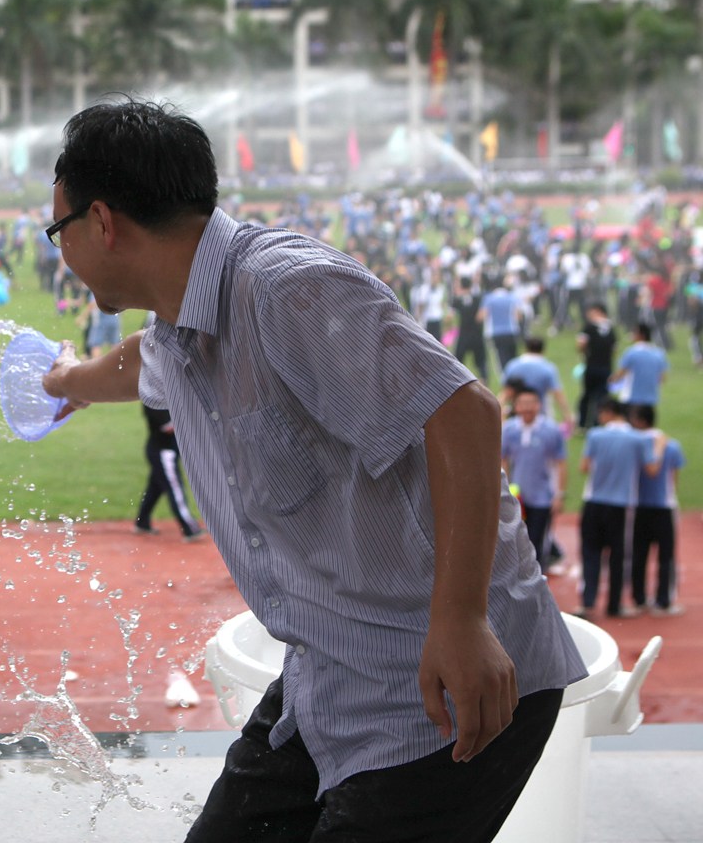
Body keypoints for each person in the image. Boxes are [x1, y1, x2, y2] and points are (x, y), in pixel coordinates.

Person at [40, 100, 583, 842]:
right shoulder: (180, 330)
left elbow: (464, 412)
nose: (59, 251)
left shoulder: (285, 291)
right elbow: (138, 362)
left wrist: (460, 620)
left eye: (58, 229)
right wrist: (67, 381)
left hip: (442, 683)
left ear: (101, 222)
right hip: (328, 671)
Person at [576, 398, 659, 620]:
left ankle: (588, 602)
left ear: (606, 413)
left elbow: (584, 467)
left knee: (590, 552)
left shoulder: (595, 435)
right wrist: (658, 446)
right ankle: (614, 604)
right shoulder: (638, 439)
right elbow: (651, 469)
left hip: (594, 501)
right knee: (618, 555)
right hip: (622, 505)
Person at [627, 404, 686, 616]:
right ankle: (663, 601)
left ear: (639, 420)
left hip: (639, 507)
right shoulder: (672, 445)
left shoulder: (633, 444)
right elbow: (674, 478)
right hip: (664, 506)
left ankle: (639, 598)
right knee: (666, 556)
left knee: (638, 554)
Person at [500, 389, 568, 569]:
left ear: (539, 405)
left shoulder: (551, 430)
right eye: (523, 403)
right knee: (516, 541)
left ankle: (538, 581)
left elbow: (560, 463)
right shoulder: (509, 429)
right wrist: (506, 487)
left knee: (537, 543)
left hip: (542, 497)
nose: (527, 408)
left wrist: (559, 494)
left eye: (532, 403)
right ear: (516, 406)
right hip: (518, 497)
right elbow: (503, 458)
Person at [134, 404, 204, 540]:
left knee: (154, 489)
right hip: (163, 453)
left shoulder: (170, 399)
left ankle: (142, 522)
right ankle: (190, 528)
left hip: (166, 451)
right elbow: (169, 427)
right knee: (175, 488)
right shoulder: (153, 402)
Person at [500, 336, 570, 426]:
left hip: (517, 413)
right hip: (540, 413)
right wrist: (567, 415)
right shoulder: (548, 368)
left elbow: (505, 392)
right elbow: (557, 393)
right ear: (543, 350)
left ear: (526, 348)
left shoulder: (512, 365)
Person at [612, 322, 669, 414]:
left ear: (640, 335)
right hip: (651, 398)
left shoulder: (631, 352)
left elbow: (620, 374)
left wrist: (611, 381)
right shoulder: (659, 354)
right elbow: (662, 378)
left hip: (631, 397)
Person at [577, 302, 617, 429]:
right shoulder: (611, 328)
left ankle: (583, 423)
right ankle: (598, 423)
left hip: (591, 366)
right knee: (602, 397)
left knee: (587, 396)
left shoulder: (589, 326)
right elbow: (614, 349)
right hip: (606, 367)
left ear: (598, 311)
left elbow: (581, 344)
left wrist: (585, 354)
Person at [451, 275, 489, 382]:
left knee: (458, 360)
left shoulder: (456, 301)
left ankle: (457, 381)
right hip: (477, 334)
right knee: (481, 361)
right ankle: (484, 381)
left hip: (463, 335)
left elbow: (451, 317)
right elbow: (481, 316)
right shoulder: (478, 298)